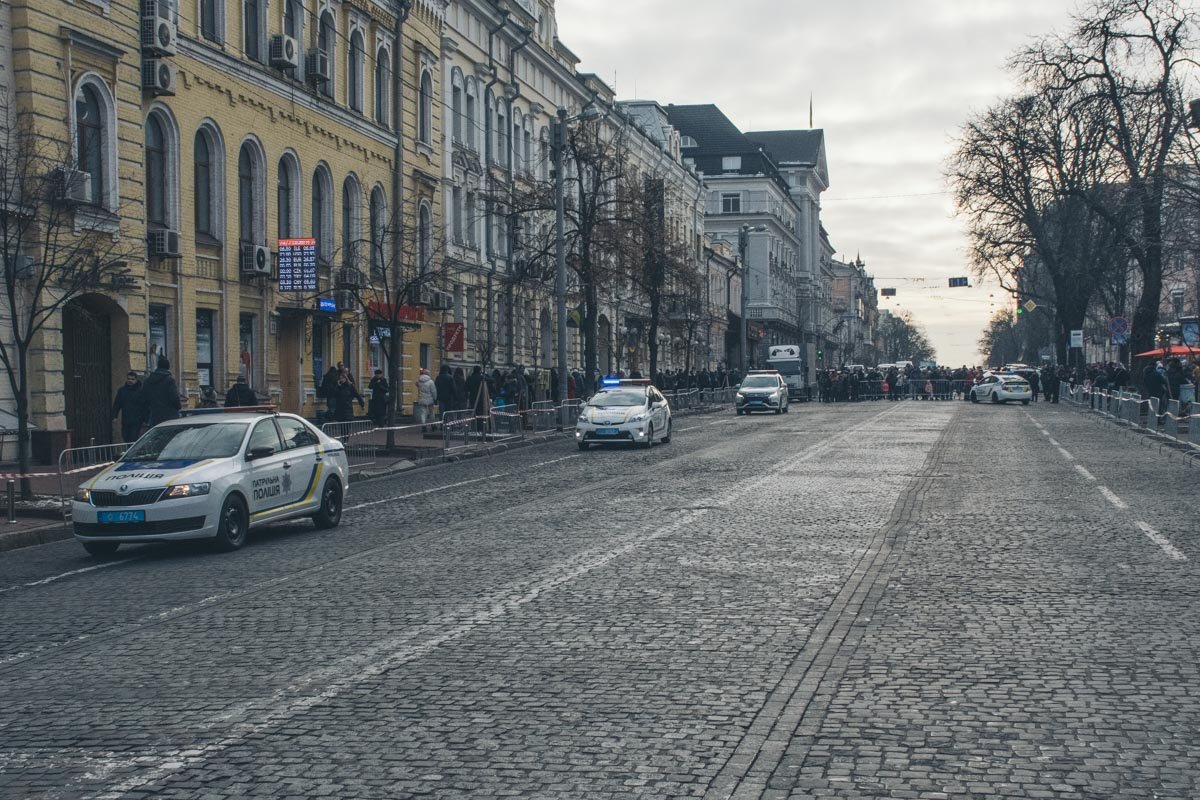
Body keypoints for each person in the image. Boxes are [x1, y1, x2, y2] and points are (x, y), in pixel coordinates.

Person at [142, 356, 182, 425]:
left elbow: (143, 399)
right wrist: (178, 406)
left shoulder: (147, 381)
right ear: (168, 367)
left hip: (153, 416)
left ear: (157, 366)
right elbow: (174, 398)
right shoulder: (170, 380)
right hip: (169, 416)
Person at [110, 371, 145, 443]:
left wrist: (145, 419)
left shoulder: (141, 391)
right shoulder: (122, 391)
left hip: (137, 420)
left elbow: (145, 405)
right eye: (129, 379)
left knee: (133, 439)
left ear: (136, 380)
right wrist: (115, 416)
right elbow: (117, 404)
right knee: (125, 437)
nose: (130, 381)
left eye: (132, 379)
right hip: (126, 420)